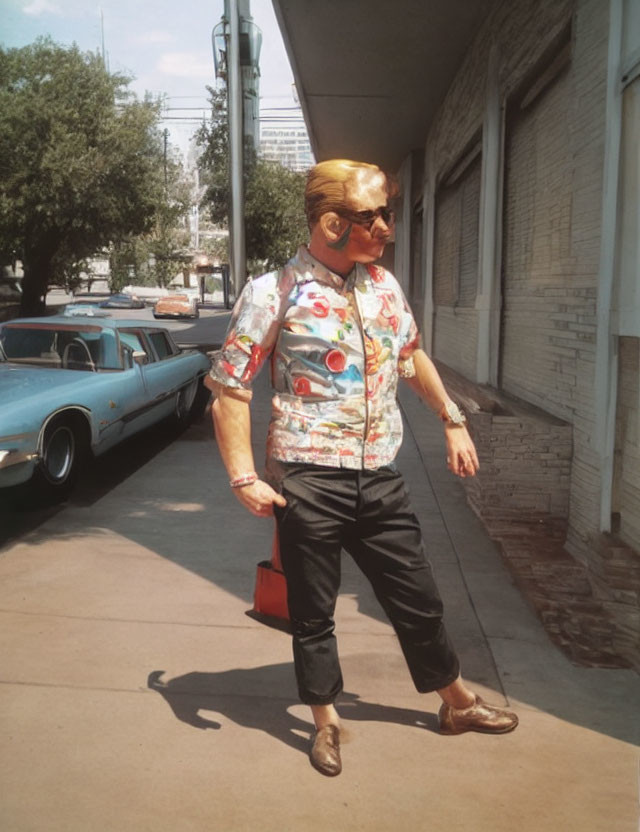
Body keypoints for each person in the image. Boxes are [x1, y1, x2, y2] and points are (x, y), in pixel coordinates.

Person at [206, 159, 518, 777]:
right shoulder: (276, 293)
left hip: (378, 475)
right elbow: (230, 389)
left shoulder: (383, 287)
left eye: (387, 214)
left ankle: (454, 703)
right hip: (308, 479)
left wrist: (452, 418)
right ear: (330, 222)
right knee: (314, 611)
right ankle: (325, 722)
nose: (386, 228)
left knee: (418, 598)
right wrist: (244, 475)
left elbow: (412, 356)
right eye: (373, 217)